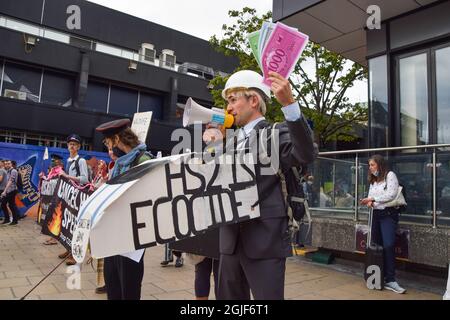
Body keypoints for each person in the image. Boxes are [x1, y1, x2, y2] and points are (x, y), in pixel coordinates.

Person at [202, 70, 316, 299]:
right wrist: (214, 146)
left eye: (233, 100)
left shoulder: (274, 132)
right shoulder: (229, 142)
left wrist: (290, 106)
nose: (229, 109)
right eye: (228, 102)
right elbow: (210, 180)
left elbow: (305, 152)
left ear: (254, 100)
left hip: (265, 241)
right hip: (230, 242)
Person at [96, 118, 153, 300]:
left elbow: (148, 197)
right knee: (112, 284)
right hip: (114, 235)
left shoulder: (143, 160)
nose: (109, 148)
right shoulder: (120, 163)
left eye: (108, 143)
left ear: (117, 139)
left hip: (132, 239)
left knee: (128, 287)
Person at [360, 154, 406, 294]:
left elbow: (391, 194)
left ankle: (391, 279)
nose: (370, 168)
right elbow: (372, 198)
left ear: (380, 164)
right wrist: (369, 202)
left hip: (388, 215)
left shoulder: (390, 175)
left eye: (372, 165)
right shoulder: (373, 180)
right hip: (375, 215)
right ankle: (379, 276)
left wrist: (372, 199)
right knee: (377, 246)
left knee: (388, 245)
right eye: (369, 165)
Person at [57, 134, 90, 265]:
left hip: (77, 197)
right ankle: (68, 248)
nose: (72, 146)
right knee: (68, 223)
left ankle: (75, 254)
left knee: (75, 225)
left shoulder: (80, 161)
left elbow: (84, 179)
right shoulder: (69, 160)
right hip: (70, 196)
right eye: (70, 144)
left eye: (75, 144)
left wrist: (66, 176)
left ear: (79, 147)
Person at [41, 154, 64, 246]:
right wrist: (43, 177)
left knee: (56, 218)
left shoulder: (61, 171)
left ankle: (54, 238)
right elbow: (49, 180)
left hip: (58, 198)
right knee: (51, 218)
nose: (53, 161)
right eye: (52, 160)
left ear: (59, 161)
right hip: (51, 198)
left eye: (54, 160)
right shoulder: (52, 171)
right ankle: (52, 237)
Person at [1, 160, 21, 226]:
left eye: (8, 164)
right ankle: (11, 220)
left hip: (12, 190)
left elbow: (10, 181)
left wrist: (4, 191)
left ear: (11, 164)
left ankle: (12, 220)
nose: (7, 165)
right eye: (6, 164)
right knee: (10, 204)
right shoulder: (8, 171)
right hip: (9, 190)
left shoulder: (13, 171)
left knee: (5, 204)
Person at [0, 159, 9, 223]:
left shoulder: (1, 170)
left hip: (1, 189)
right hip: (3, 189)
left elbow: (0, 179)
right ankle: (7, 218)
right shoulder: (5, 170)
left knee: (3, 204)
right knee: (3, 204)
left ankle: (8, 218)